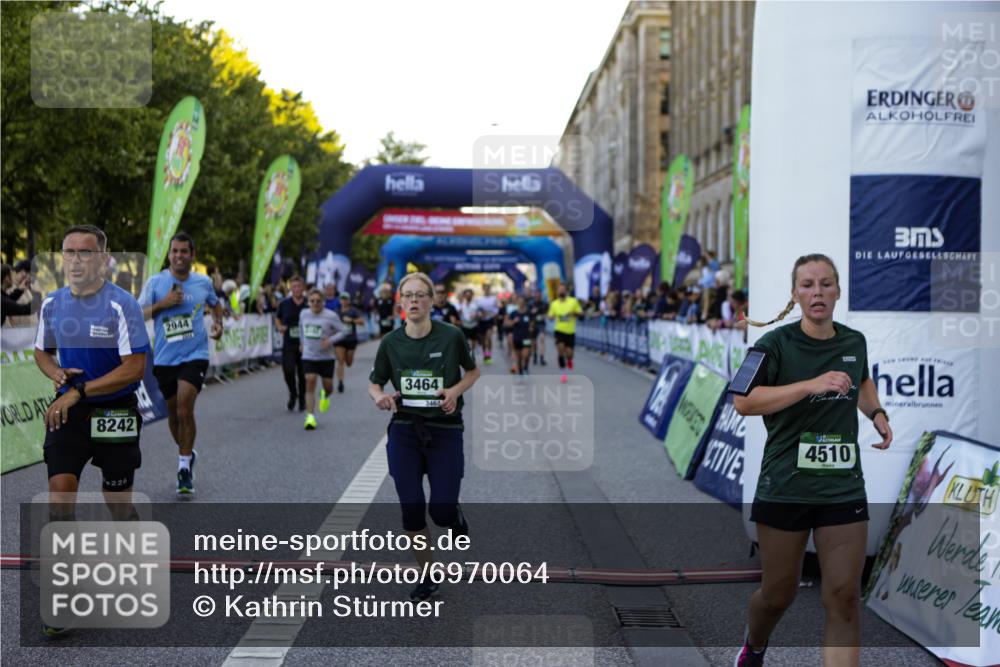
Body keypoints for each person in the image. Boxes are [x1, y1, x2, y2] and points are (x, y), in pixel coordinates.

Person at [732, 253, 893, 667]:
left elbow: (860, 378)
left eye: (825, 284)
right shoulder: (774, 344)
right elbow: (743, 401)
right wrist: (809, 385)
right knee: (778, 594)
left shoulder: (853, 341)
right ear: (795, 294)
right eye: (807, 285)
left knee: (843, 595)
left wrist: (875, 413)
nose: (817, 292)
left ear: (838, 292)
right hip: (786, 486)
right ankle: (755, 644)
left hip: (842, 488)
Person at [34, 226, 150, 636]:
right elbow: (41, 351)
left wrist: (80, 390)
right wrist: (58, 374)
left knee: (116, 501)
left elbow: (135, 367)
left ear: (103, 260)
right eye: (69, 252)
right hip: (70, 412)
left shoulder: (122, 305)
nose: (76, 259)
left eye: (86, 252)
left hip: (114, 411)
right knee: (60, 495)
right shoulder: (52, 303)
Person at [368, 272, 480, 602]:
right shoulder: (391, 343)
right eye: (408, 295)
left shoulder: (452, 336)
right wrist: (378, 396)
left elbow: (473, 372)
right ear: (400, 302)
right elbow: (375, 382)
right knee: (412, 507)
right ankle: (428, 575)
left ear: (432, 300)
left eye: (421, 295)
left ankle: (454, 515)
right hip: (405, 429)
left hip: (445, 431)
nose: (414, 301)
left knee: (441, 511)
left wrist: (454, 391)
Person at [138, 232, 223, 496]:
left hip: (194, 354)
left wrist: (219, 323)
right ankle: (187, 453)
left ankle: (183, 468)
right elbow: (139, 314)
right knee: (174, 415)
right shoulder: (156, 282)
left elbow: (216, 304)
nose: (178, 256)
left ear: (192, 255)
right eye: (174, 251)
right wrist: (162, 304)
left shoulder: (203, 282)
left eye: (184, 251)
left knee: (185, 409)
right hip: (164, 357)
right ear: (170, 254)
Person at [299, 288, 348, 430]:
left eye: (318, 301)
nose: (315, 303)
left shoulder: (330, 315)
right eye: (312, 301)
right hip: (308, 355)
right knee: (310, 380)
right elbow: (301, 328)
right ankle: (310, 417)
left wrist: (330, 341)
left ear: (323, 302)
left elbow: (343, 331)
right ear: (308, 302)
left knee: (328, 387)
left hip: (326, 357)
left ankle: (324, 395)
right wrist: (302, 342)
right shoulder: (304, 313)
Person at [275, 276, 308, 411]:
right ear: (290, 288)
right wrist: (279, 327)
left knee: (302, 374)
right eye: (293, 287)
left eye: (298, 286)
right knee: (288, 370)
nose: (296, 289)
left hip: (305, 344)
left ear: (303, 288)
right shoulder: (284, 304)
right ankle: (293, 393)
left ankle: (302, 398)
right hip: (289, 343)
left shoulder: (309, 303)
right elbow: (277, 318)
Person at [547, 283, 583, 383]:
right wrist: (550, 317)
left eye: (563, 289)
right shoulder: (554, 303)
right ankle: (563, 373)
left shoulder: (573, 301)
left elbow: (581, 313)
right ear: (557, 292)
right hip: (559, 330)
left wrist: (574, 313)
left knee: (569, 353)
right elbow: (550, 315)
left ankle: (569, 360)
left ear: (566, 291)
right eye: (560, 290)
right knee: (560, 349)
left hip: (570, 331)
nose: (561, 291)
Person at [334, 292, 363, 393]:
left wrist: (351, 320)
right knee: (340, 361)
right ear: (340, 300)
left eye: (345, 299)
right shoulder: (336, 312)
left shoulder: (353, 311)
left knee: (349, 363)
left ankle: (347, 360)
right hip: (339, 340)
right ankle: (340, 382)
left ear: (348, 300)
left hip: (351, 340)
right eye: (342, 299)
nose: (344, 301)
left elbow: (361, 321)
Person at [504, 294, 535, 375]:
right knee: (519, 357)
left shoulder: (528, 313)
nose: (521, 303)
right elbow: (506, 323)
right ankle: (520, 369)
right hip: (516, 337)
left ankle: (526, 366)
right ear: (517, 302)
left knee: (526, 354)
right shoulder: (513, 313)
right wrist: (513, 322)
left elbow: (532, 323)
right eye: (519, 302)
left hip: (526, 337)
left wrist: (531, 327)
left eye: (522, 302)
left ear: (524, 303)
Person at [474, 283, 499, 365]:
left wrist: (492, 314)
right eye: (486, 288)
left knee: (488, 337)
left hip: (490, 320)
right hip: (481, 321)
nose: (487, 290)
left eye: (488, 288)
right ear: (483, 289)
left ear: (490, 289)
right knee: (483, 340)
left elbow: (496, 310)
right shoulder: (479, 299)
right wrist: (479, 314)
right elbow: (476, 310)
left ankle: (489, 355)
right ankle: (485, 354)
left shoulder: (493, 299)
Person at [457, 288, 480, 357]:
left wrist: (476, 315)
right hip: (465, 324)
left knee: (473, 341)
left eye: (469, 295)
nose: (468, 296)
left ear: (472, 295)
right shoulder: (461, 304)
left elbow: (480, 314)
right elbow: (458, 313)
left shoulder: (476, 303)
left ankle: (472, 354)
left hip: (474, 324)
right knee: (466, 341)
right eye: (466, 295)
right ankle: (468, 354)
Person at [529, 287, 547, 366]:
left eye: (539, 295)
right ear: (535, 296)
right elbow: (528, 314)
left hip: (541, 324)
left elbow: (548, 313)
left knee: (542, 339)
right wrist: (532, 312)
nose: (538, 296)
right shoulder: (531, 304)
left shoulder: (544, 304)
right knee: (534, 342)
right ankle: (535, 355)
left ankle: (542, 358)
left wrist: (545, 315)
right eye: (536, 295)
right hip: (533, 324)